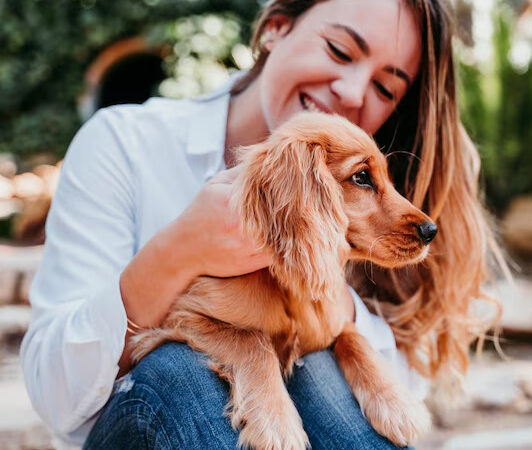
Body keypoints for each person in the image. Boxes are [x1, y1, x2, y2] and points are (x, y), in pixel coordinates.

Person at [20, 0, 497, 448]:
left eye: (385, 88)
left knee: (321, 375)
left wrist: (340, 317)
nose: (351, 92)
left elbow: (406, 389)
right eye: (339, 49)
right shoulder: (123, 143)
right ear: (275, 28)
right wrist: (181, 250)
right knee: (181, 374)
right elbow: (56, 399)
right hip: (138, 425)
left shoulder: (364, 192)